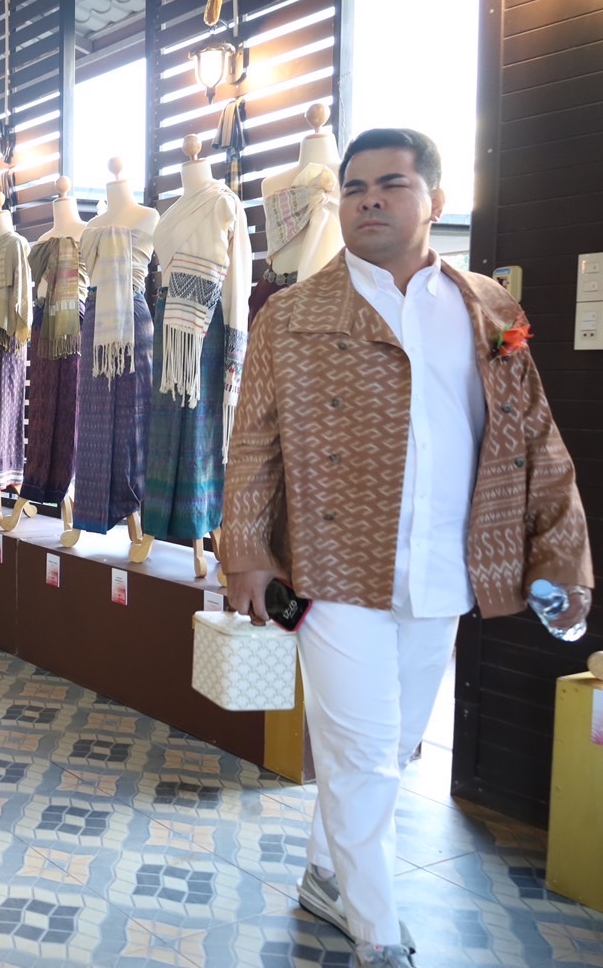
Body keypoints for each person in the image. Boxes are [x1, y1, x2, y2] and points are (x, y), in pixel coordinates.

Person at [223, 129, 591, 968]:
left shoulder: (488, 309)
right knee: (361, 752)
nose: (369, 200)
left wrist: (561, 554)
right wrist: (245, 550)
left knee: (388, 746)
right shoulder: (293, 313)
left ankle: (326, 870)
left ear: (434, 194)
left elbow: (535, 438)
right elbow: (253, 443)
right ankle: (378, 930)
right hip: (330, 566)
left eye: (390, 184)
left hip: (444, 567)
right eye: (354, 189)